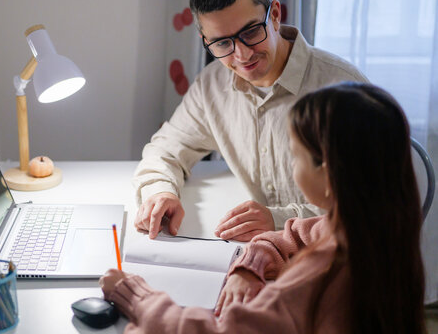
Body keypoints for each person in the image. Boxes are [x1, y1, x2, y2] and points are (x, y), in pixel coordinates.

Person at [101, 82, 426, 333]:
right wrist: (250, 265)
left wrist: (140, 298)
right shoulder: (377, 228)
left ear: (327, 171)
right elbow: (296, 234)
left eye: (295, 155)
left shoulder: (314, 279)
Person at [133, 0, 368, 241]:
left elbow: (374, 204)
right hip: (256, 253)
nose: (242, 55)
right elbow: (164, 150)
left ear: (275, 15)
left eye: (251, 32)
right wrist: (161, 192)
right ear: (205, 41)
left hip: (339, 256)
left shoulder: (344, 88)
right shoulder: (211, 86)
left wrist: (279, 220)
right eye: (222, 43)